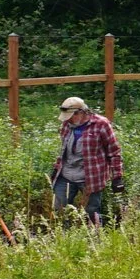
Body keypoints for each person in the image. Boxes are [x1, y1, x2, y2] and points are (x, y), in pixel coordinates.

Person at [52, 96, 124, 225]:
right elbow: (63, 150)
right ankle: (65, 239)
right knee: (60, 210)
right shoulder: (66, 125)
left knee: (92, 212)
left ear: (81, 112)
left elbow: (114, 152)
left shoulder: (101, 124)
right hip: (66, 174)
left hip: (90, 176)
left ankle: (96, 239)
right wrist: (57, 167)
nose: (67, 120)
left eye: (70, 116)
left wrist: (117, 177)